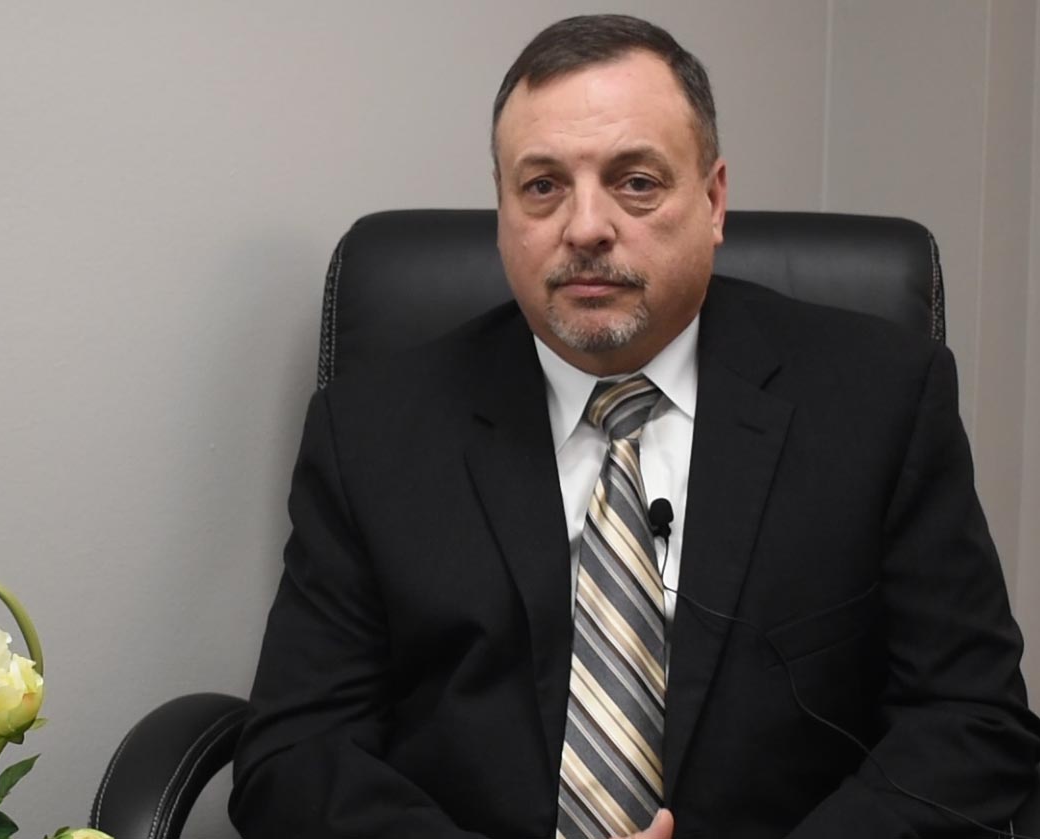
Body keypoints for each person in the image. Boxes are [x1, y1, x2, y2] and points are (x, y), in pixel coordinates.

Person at [229, 14, 1040, 839]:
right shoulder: (371, 433)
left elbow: (972, 721)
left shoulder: (878, 400)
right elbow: (294, 751)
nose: (585, 227)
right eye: (542, 185)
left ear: (714, 200)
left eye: (636, 181)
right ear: (503, 209)